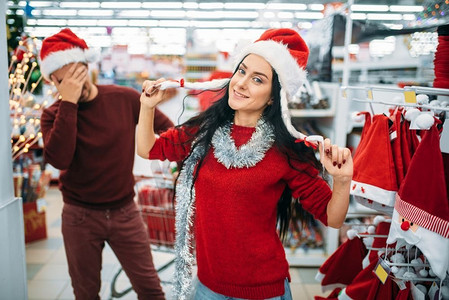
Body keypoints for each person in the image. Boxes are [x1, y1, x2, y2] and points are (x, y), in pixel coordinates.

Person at [137, 28, 353, 300]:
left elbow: (332, 218)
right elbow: (149, 148)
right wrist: (147, 107)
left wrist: (342, 181)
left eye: (257, 79)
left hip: (263, 290)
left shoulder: (287, 151)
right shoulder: (203, 131)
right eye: (241, 71)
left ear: (274, 96)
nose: (241, 83)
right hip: (206, 287)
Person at [39, 28, 174, 300]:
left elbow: (167, 128)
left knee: (150, 290)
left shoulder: (122, 98)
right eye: (67, 79)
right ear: (54, 81)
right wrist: (69, 104)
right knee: (86, 293)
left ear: (87, 66)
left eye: (79, 72)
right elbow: (60, 158)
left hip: (125, 211)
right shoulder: (52, 115)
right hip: (79, 216)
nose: (77, 83)